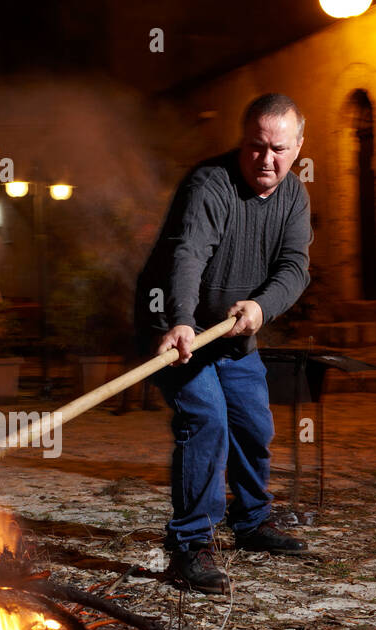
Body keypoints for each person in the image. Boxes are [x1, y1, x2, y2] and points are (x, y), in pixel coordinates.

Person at [135, 93, 313, 593]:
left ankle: (252, 522)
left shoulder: (294, 196)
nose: (267, 160)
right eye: (257, 147)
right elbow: (188, 253)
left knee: (253, 421)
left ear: (298, 147)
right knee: (206, 419)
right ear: (244, 141)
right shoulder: (210, 184)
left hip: (234, 330)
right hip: (178, 327)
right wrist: (181, 320)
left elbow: (294, 268)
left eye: (279, 149)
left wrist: (262, 306)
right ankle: (189, 545)